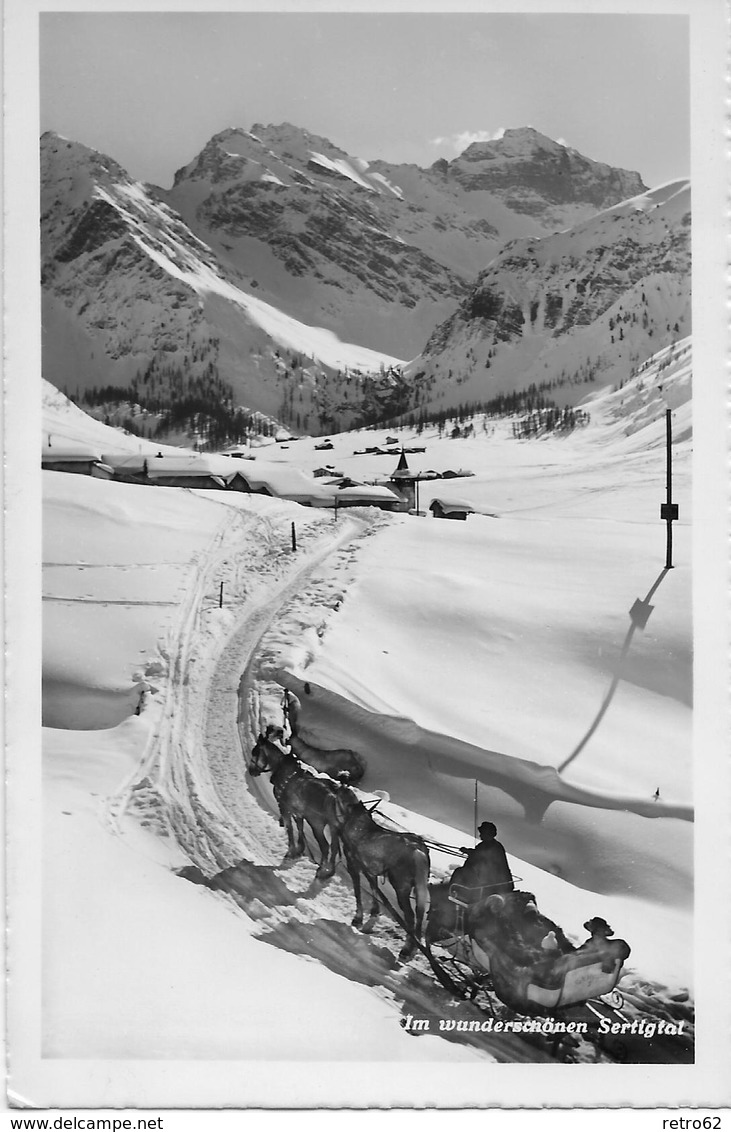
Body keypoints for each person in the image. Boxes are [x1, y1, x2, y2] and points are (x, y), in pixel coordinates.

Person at [450, 821, 515, 903]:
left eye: (482, 832)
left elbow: (482, 855)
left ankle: (452, 891)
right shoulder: (484, 845)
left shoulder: (495, 847)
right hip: (486, 881)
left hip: (493, 884)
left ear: (488, 833)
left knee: (460, 871)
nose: (480, 835)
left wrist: (468, 851)